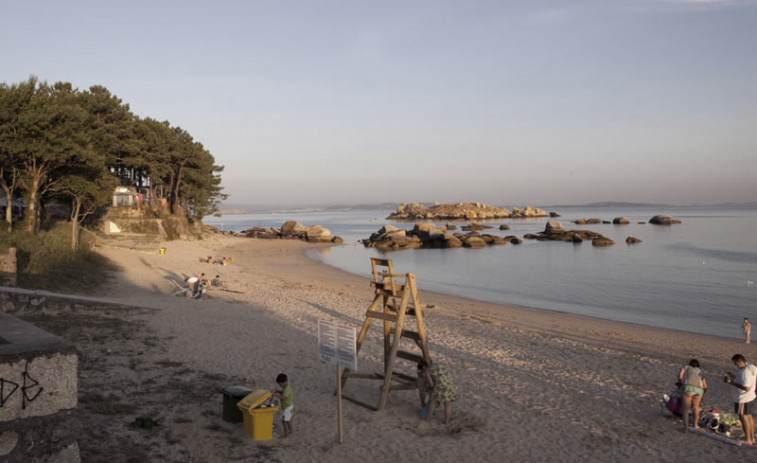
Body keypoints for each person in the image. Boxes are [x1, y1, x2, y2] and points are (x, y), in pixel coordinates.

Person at [725, 354, 757, 445]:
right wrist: (733, 376)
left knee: (743, 417)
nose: (735, 365)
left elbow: (746, 387)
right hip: (750, 397)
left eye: (736, 363)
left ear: (740, 362)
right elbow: (743, 381)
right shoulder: (750, 367)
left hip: (743, 398)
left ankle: (748, 439)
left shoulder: (745, 372)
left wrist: (732, 383)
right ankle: (751, 437)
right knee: (749, 416)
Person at [678, 359, 708, 432]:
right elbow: (705, 386)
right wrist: (703, 394)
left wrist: (679, 383)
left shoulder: (686, 367)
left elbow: (680, 376)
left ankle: (686, 427)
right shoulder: (700, 371)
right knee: (696, 408)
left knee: (685, 408)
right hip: (699, 390)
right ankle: (695, 425)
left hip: (688, 387)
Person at [271, 373, 293, 437]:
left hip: (288, 407)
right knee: (288, 420)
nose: (280, 385)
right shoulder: (285, 387)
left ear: (285, 382)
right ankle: (291, 431)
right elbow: (282, 392)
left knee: (284, 421)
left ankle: (286, 434)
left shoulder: (287, 389)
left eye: (280, 384)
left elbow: (283, 397)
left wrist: (276, 395)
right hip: (287, 407)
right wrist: (277, 391)